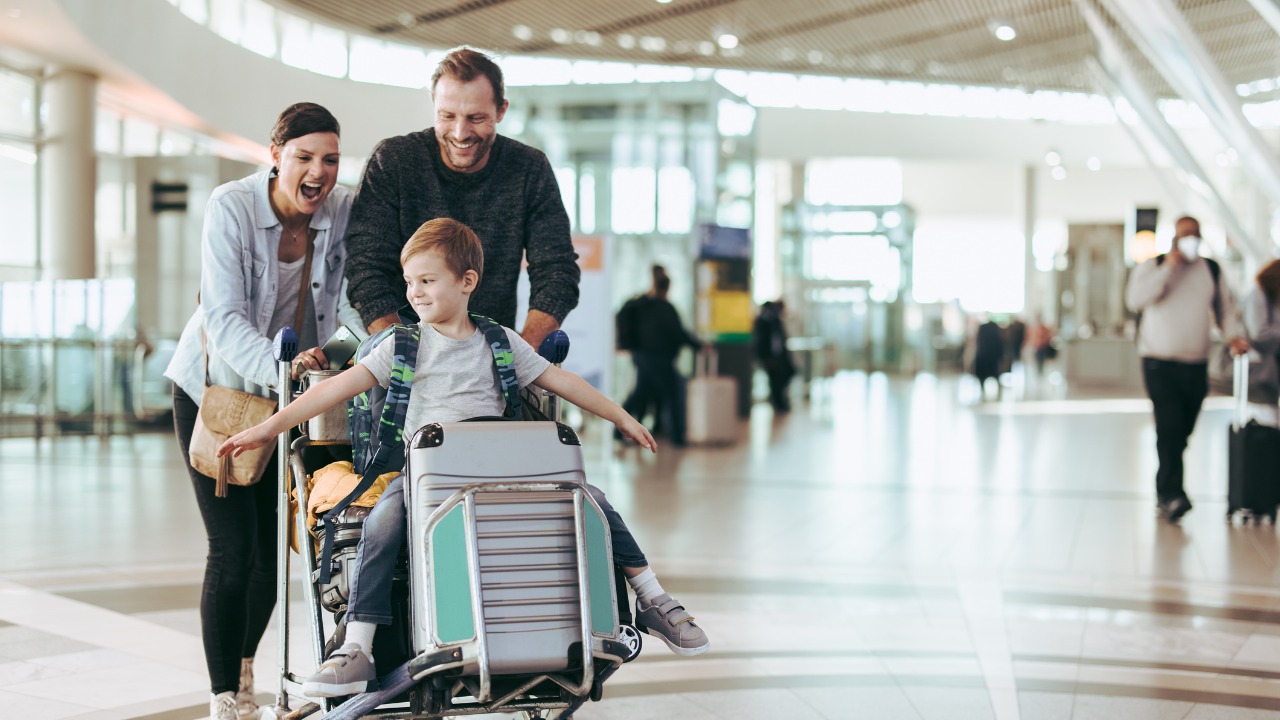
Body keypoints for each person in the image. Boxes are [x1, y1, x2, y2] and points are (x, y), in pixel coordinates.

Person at [219, 219, 711, 699]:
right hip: (425, 475)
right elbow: (331, 391)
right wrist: (265, 429)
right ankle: (358, 646)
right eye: (410, 281)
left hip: (499, 472)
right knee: (382, 521)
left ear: (467, 282)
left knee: (594, 501)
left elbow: (563, 383)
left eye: (427, 280)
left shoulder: (499, 342)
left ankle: (651, 598)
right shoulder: (401, 346)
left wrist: (621, 417)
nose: (414, 292)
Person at [164, 102, 362, 720]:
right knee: (232, 549)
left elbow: (354, 299)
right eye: (304, 157)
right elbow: (223, 319)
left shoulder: (344, 210)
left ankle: (248, 670)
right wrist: (284, 373)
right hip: (217, 395)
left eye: (329, 159)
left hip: (289, 401)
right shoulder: (231, 207)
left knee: (271, 561)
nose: (318, 172)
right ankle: (226, 697)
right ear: (274, 155)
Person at [343, 46, 579, 350]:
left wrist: (520, 357)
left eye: (476, 118)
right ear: (433, 107)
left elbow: (557, 270)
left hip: (494, 362)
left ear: (501, 110)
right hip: (402, 360)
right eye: (447, 116)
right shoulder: (394, 161)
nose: (460, 132)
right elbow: (366, 268)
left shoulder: (529, 169)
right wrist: (406, 353)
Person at [1125, 215, 1249, 523]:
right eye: (1185, 235)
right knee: (1168, 427)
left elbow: (1225, 308)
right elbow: (1136, 300)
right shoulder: (1153, 266)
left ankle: (1165, 485)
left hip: (1195, 364)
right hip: (1159, 362)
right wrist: (1169, 267)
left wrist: (1234, 336)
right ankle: (1172, 495)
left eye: (1195, 234)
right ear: (1173, 238)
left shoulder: (1210, 269)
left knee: (1182, 431)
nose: (1190, 239)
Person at [619, 265, 702, 444]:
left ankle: (618, 430)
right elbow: (679, 334)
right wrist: (699, 346)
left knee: (640, 394)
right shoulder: (665, 308)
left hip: (641, 357)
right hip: (660, 359)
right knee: (673, 395)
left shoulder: (641, 305)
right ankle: (678, 437)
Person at [1243, 259, 1280, 424]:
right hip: (1264, 365)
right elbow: (1259, 332)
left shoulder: (1274, 298)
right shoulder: (1259, 295)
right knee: (1266, 416)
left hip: (1274, 364)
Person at [752, 300, 795, 412]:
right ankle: (778, 403)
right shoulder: (762, 322)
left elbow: (782, 340)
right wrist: (764, 358)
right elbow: (759, 342)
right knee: (774, 380)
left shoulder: (776, 321)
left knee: (786, 375)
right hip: (769, 357)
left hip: (780, 356)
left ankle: (780, 402)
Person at [971, 315, 1005, 400]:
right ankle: (991, 389)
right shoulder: (994, 330)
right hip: (992, 355)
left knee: (984, 375)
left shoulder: (983, 329)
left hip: (984, 354)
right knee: (994, 373)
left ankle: (983, 389)